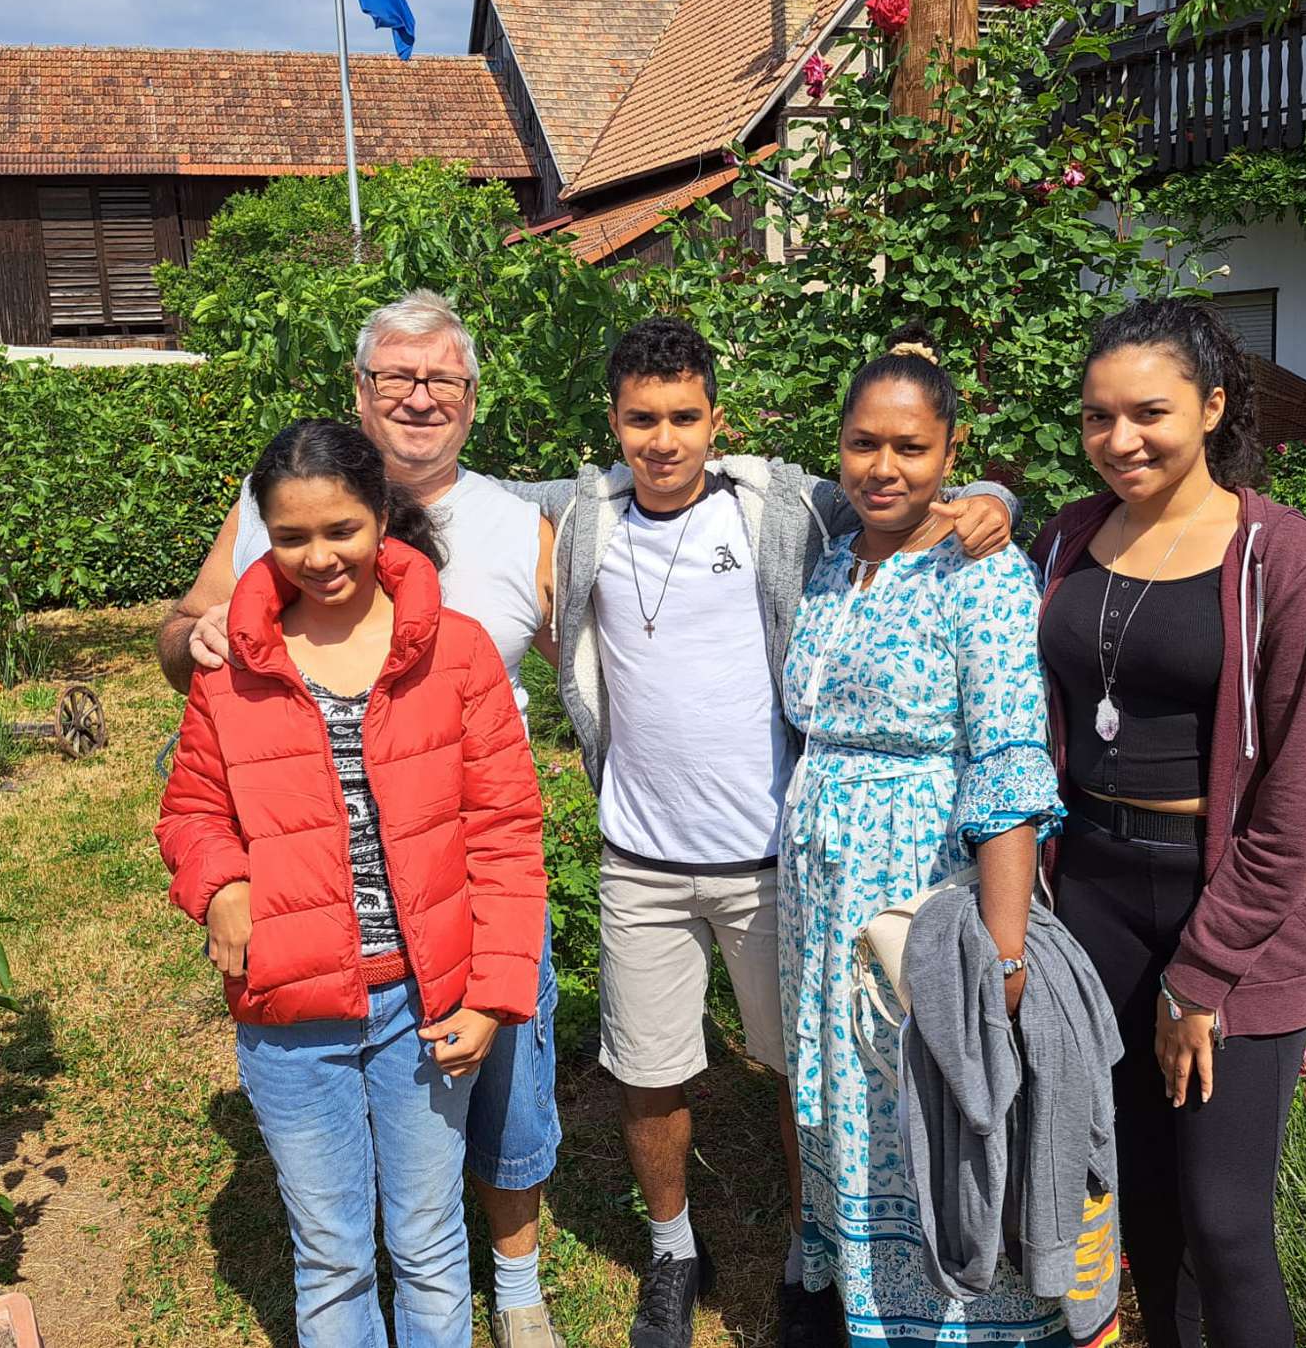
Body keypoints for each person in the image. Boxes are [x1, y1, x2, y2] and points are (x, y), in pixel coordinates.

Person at [532, 317, 1016, 1348]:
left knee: (812, 1070)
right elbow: (455, 492)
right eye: (640, 419)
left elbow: (915, 495)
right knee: (646, 1071)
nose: (662, 440)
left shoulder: (787, 510)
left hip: (774, 863)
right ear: (612, 424)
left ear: (718, 420)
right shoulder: (581, 518)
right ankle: (672, 1252)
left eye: (683, 416)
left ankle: (814, 1246)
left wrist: (996, 500)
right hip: (638, 860)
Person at [158, 292, 567, 1348]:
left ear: (380, 521)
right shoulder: (238, 662)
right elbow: (192, 806)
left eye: (340, 530)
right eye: (291, 537)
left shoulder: (455, 649)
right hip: (290, 1003)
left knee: (427, 1237)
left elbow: (505, 832)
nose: (319, 554)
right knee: (332, 1249)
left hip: (423, 992)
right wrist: (221, 883)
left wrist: (492, 990)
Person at [1032, 298, 1306, 1348]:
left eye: (1149, 413)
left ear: (1212, 408)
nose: (1118, 439)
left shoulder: (1284, 561)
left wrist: (1201, 975)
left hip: (1227, 916)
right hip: (1093, 901)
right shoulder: (1066, 539)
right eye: (1097, 417)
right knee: (1145, 1210)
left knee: (1225, 1227)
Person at [778, 342, 1073, 1348]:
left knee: (922, 1097)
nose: (883, 467)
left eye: (910, 446)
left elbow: (1008, 762)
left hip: (917, 887)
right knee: (843, 1095)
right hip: (820, 893)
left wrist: (1002, 952)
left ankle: (958, 1321)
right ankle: (861, 1304)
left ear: (952, 451)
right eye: (864, 443)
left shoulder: (980, 574)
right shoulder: (833, 562)